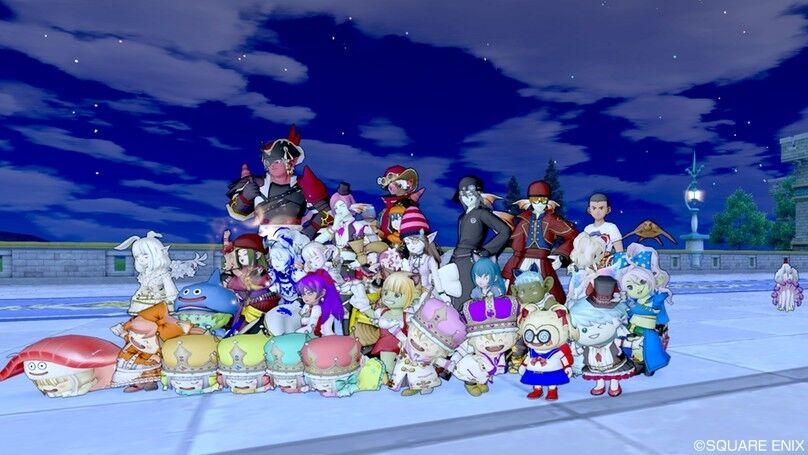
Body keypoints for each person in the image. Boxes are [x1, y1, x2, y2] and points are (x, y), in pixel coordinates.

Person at [502, 180, 577, 305]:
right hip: (523, 260)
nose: (539, 203)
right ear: (530, 200)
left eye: (543, 200)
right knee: (518, 290)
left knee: (548, 291)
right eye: (535, 199)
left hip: (543, 260)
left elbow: (573, 236)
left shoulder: (552, 220)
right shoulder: (524, 220)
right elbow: (516, 245)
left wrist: (561, 256)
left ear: (548, 201)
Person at [448, 176, 511, 310]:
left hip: (470, 258)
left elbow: (504, 231)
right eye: (464, 195)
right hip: (457, 257)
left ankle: (470, 316)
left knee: (467, 293)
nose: (468, 198)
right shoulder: (462, 217)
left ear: (479, 195)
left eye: (471, 194)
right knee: (453, 290)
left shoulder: (482, 213)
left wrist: (487, 250)